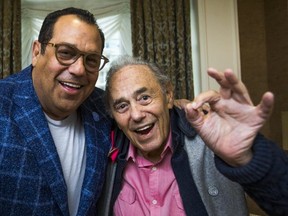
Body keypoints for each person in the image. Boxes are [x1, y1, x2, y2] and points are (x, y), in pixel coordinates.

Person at [97, 56, 288, 216]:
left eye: (145, 98)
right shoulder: (104, 155)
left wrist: (246, 158)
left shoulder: (211, 144)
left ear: (169, 96)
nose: (136, 114)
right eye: (122, 106)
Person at [0, 7, 112, 216]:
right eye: (66, 53)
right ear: (36, 52)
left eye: (91, 60)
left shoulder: (103, 106)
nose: (79, 69)